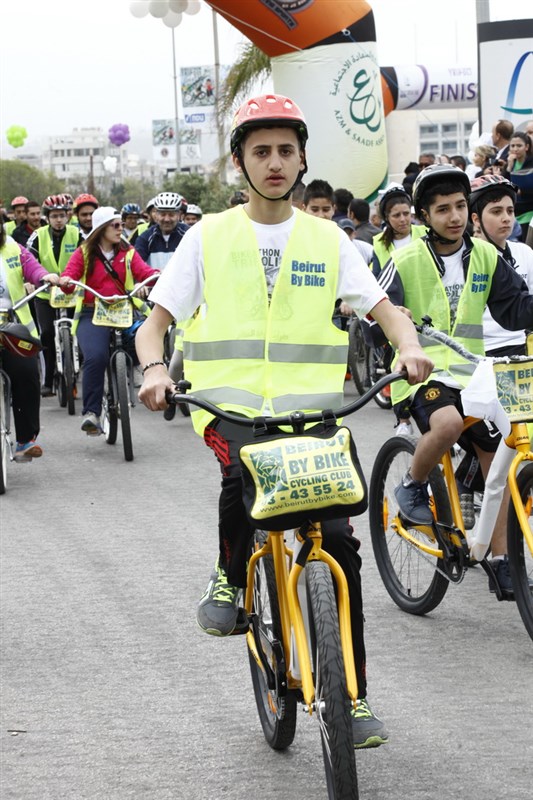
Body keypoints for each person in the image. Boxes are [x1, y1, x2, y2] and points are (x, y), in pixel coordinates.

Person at [136, 92, 433, 749]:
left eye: (284, 151)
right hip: (229, 405)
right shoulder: (206, 237)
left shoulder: (328, 239)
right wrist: (156, 370)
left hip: (312, 410)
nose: (273, 162)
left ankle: (350, 696)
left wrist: (407, 346)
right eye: (259, 150)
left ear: (301, 160)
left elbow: (385, 310)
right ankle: (229, 569)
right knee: (244, 473)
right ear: (239, 160)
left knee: (338, 541)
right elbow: (153, 328)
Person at [371, 164, 533, 594]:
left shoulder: (485, 255)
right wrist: (394, 322)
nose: (455, 216)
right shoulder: (404, 259)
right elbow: (374, 313)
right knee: (445, 424)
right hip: (421, 373)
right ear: (424, 216)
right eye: (443, 209)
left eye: (461, 206)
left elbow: (514, 309)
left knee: (499, 457)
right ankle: (412, 484)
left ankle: (499, 556)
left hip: (473, 373)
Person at [456, 174, 533, 529]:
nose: (506, 218)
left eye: (510, 211)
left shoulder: (524, 254)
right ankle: (471, 480)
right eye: (496, 211)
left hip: (517, 351)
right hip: (476, 358)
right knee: (493, 436)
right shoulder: (465, 256)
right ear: (475, 218)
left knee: (522, 436)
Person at [58, 207, 159, 435]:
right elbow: (71, 276)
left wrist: (157, 275)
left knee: (144, 341)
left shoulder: (129, 252)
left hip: (124, 311)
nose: (120, 229)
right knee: (96, 356)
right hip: (92, 312)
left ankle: (141, 382)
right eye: (115, 225)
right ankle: (91, 413)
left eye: (121, 224)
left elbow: (144, 272)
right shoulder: (84, 253)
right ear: (101, 228)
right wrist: (65, 281)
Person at [0, 227, 60, 460]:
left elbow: (33, 266)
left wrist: (44, 276)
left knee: (27, 375)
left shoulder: (14, 248)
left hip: (13, 328)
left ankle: (25, 440)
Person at [27, 195, 80, 396]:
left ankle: (74, 371)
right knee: (47, 334)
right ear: (47, 217)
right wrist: (29, 281)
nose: (58, 219)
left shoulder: (77, 234)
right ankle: (48, 380)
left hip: (72, 292)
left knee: (79, 331)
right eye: (54, 216)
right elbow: (28, 260)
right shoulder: (38, 236)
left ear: (68, 216)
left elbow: (89, 256)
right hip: (45, 294)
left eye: (62, 215)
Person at [135, 192, 188, 270]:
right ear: (156, 215)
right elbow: (137, 266)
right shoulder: (145, 238)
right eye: (163, 214)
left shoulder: (188, 234)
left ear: (178, 215)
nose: (166, 219)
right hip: (155, 281)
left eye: (171, 215)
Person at [504, 131, 533, 241]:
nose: (515, 149)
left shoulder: (531, 163)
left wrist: (523, 191)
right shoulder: (510, 163)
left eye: (519, 145)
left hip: (529, 211)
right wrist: (509, 166)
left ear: (527, 147)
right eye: (512, 146)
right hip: (514, 211)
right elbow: (505, 183)